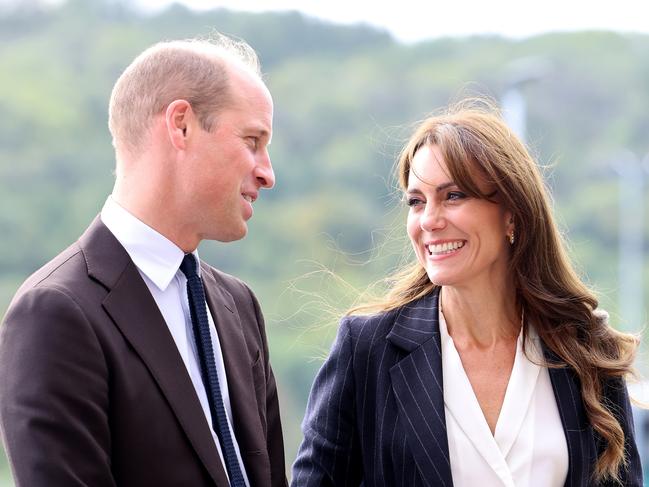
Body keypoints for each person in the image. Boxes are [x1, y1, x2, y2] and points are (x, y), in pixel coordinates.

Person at [291, 100, 642, 486]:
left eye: (453, 196)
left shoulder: (586, 348)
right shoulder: (367, 349)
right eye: (416, 201)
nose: (429, 220)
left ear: (512, 212)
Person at [0, 35, 286, 487]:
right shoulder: (54, 312)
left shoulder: (239, 306)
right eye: (252, 141)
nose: (267, 172)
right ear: (181, 125)